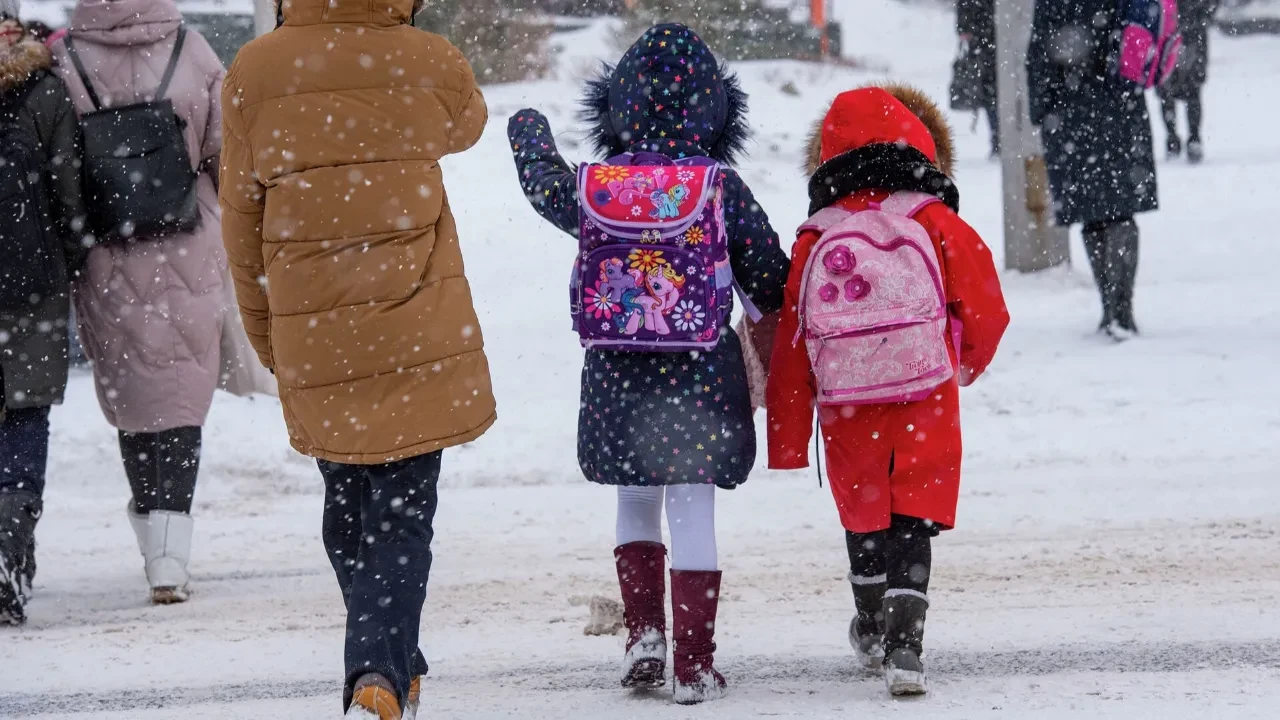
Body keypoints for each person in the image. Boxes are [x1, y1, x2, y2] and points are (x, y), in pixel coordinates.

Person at [219, 0, 495, 716]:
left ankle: (389, 658)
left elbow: (240, 220)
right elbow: (468, 123)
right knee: (400, 512)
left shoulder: (255, 68)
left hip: (317, 329)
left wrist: (266, 333)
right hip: (415, 320)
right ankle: (380, 663)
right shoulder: (427, 58)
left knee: (347, 506)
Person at [506, 23, 790, 705]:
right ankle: (694, 664)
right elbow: (772, 276)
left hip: (618, 369)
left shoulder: (601, 187)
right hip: (697, 367)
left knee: (635, 499)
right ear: (715, 110)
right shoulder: (719, 185)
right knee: (693, 507)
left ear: (618, 108)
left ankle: (643, 639)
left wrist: (528, 133)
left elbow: (545, 188)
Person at [768, 85, 1009, 697]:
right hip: (924, 391)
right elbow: (986, 303)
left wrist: (789, 433)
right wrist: (966, 361)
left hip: (849, 400)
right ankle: (908, 646)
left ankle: (871, 622)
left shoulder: (818, 233)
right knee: (913, 515)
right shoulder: (931, 218)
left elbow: (794, 342)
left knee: (864, 511)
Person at [48, 0, 225, 606]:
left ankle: (155, 540)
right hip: (191, 243)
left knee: (133, 397)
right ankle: (170, 552)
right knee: (181, 394)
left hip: (107, 252)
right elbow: (225, 151)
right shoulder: (195, 50)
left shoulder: (63, 57)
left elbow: (56, 162)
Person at [0, 2, 89, 626]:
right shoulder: (47, 89)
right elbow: (69, 193)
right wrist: (68, 258)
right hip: (34, 284)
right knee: (26, 415)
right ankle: (11, 544)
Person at [1027, 0, 1158, 339]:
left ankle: (1109, 308)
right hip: (1121, 105)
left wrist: (1041, 110)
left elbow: (1040, 52)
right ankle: (1122, 310)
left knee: (1093, 214)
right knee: (1121, 211)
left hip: (1071, 112)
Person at [1160, 0, 1221, 163]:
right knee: (1167, 88)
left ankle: (1191, 138)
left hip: (1190, 31)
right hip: (1170, 30)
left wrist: (1204, 15)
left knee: (1191, 88)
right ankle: (1174, 138)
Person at [951, 0, 999, 156]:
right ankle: (997, 136)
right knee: (991, 90)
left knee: (990, 91)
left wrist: (964, 27)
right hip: (988, 37)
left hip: (984, 37)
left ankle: (997, 136)